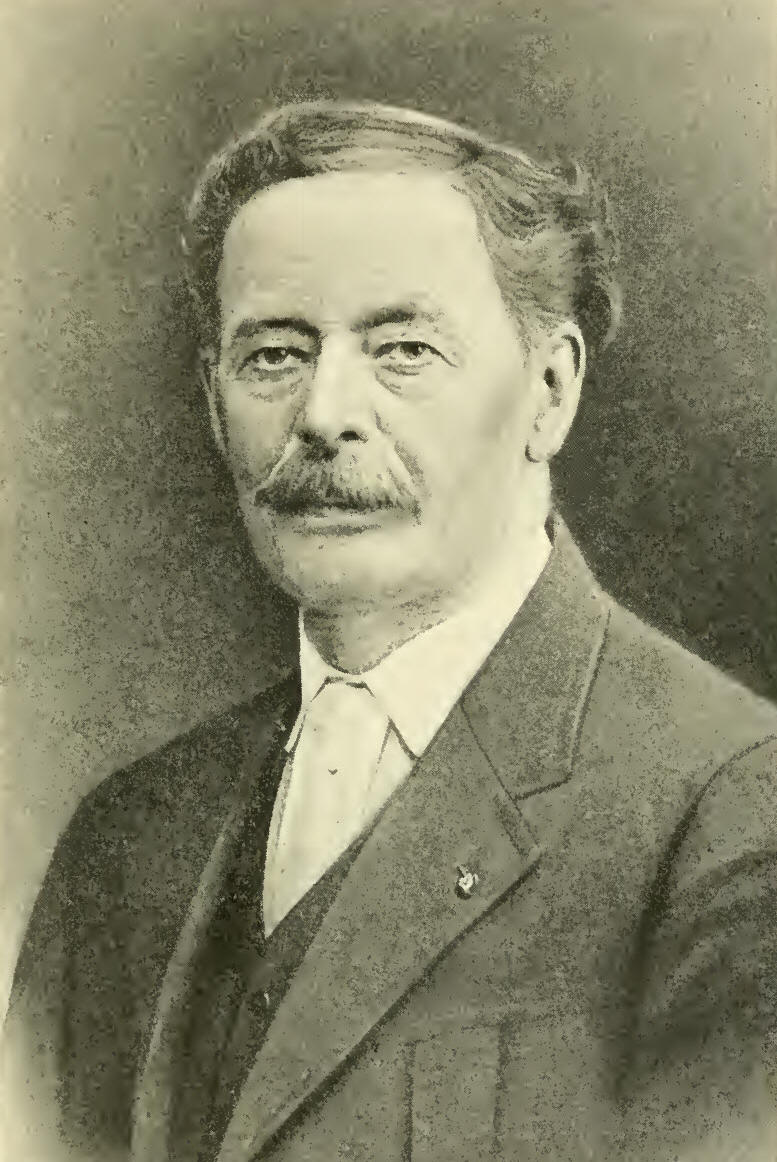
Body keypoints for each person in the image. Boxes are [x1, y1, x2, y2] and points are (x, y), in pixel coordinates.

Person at [5, 101, 777, 1162]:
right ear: (213, 401)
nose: (324, 413)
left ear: (549, 392)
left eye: (403, 349)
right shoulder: (125, 838)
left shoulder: (730, 816)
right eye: (273, 354)